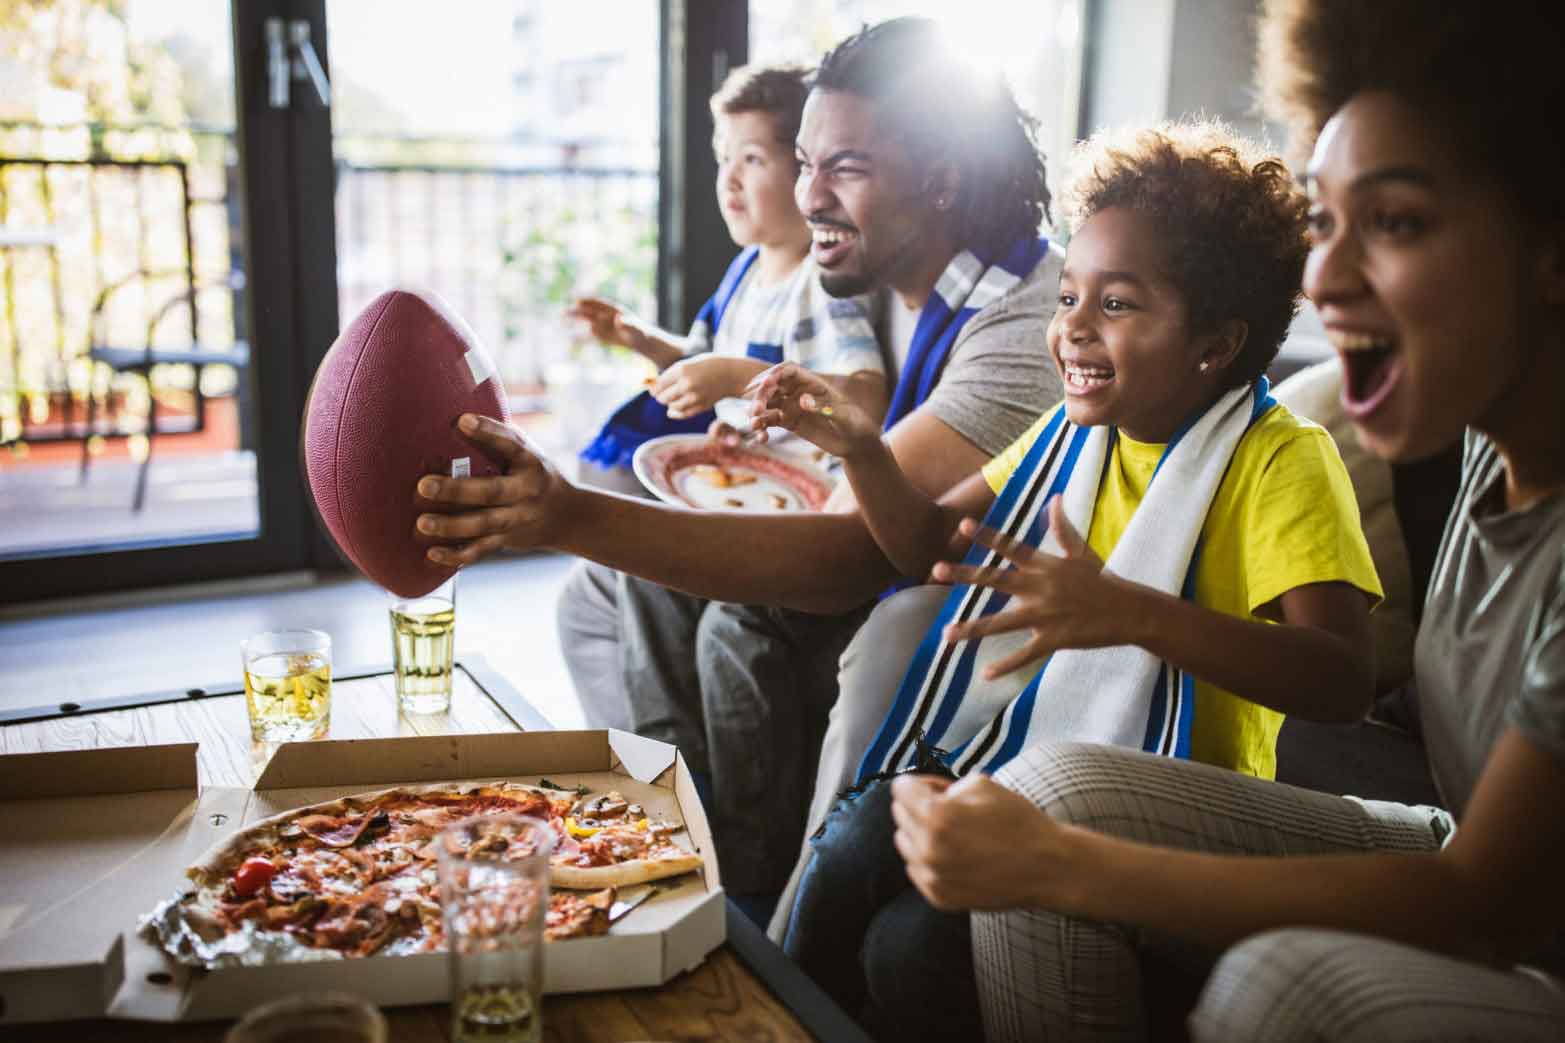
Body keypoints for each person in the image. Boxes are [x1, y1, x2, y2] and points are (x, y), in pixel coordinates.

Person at [887, 1, 1565, 1039]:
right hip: (1447, 834)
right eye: (1324, 223)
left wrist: (1066, 867)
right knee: (1034, 789)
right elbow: (930, 542)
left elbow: (1488, 903)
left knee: (1281, 986)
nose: (1323, 279)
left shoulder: (1286, 455)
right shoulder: (1489, 442)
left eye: (1394, 222)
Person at [751, 118, 1384, 1039]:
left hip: (1169, 806)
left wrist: (1131, 612)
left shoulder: (1283, 458)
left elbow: (1343, 679)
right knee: (858, 835)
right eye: (1068, 297)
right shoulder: (1071, 433)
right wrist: (862, 452)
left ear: (1214, 343)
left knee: (908, 946)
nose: (1072, 328)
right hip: (1029, 757)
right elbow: (929, 545)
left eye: (1116, 304)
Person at [550, 16, 1064, 920]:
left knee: (771, 625)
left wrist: (564, 512)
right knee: (597, 593)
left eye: (845, 168)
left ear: (941, 181)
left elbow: (851, 553)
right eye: (802, 162)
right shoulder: (872, 265)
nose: (809, 195)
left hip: (938, 592)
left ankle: (763, 907)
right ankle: (674, 823)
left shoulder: (1019, 326)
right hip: (857, 536)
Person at [570, 63, 886, 476]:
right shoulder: (746, 270)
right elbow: (706, 360)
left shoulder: (826, 281)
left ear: (804, 171)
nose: (729, 179)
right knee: (602, 469)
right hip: (745, 472)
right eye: (724, 158)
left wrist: (738, 377)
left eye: (752, 159)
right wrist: (644, 340)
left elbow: (868, 402)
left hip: (806, 487)